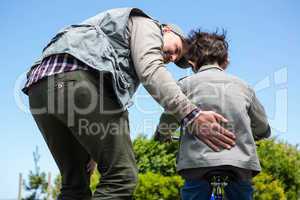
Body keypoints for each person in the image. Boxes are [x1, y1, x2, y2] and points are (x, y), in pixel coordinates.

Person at [22, 8, 236, 199]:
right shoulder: (148, 25)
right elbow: (151, 71)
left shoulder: (115, 38)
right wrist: (192, 115)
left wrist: (94, 148)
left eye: (175, 60)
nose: (171, 58)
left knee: (75, 184)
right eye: (177, 50)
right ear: (168, 29)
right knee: (121, 177)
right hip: (77, 80)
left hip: (40, 90)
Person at [155, 30, 271, 200]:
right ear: (226, 62)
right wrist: (260, 134)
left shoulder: (185, 84)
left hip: (198, 162)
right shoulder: (244, 87)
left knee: (192, 193)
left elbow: (170, 116)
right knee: (243, 193)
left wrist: (162, 134)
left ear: (192, 62)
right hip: (240, 163)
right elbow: (261, 124)